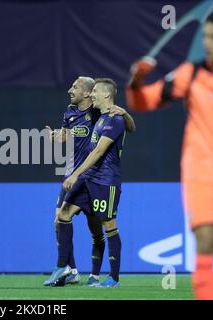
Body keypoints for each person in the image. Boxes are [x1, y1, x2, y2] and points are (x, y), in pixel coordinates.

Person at [126, 13, 213, 300]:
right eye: (205, 36)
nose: (206, 43)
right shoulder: (192, 74)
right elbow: (143, 102)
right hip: (203, 174)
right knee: (206, 239)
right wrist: (137, 80)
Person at [45, 77, 132, 287]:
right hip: (83, 175)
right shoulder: (79, 113)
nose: (70, 90)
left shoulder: (107, 115)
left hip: (102, 179)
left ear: (97, 94)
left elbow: (103, 148)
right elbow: (68, 135)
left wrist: (127, 113)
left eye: (76, 87)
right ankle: (67, 268)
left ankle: (106, 276)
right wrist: (58, 137)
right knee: (61, 217)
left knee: (102, 227)